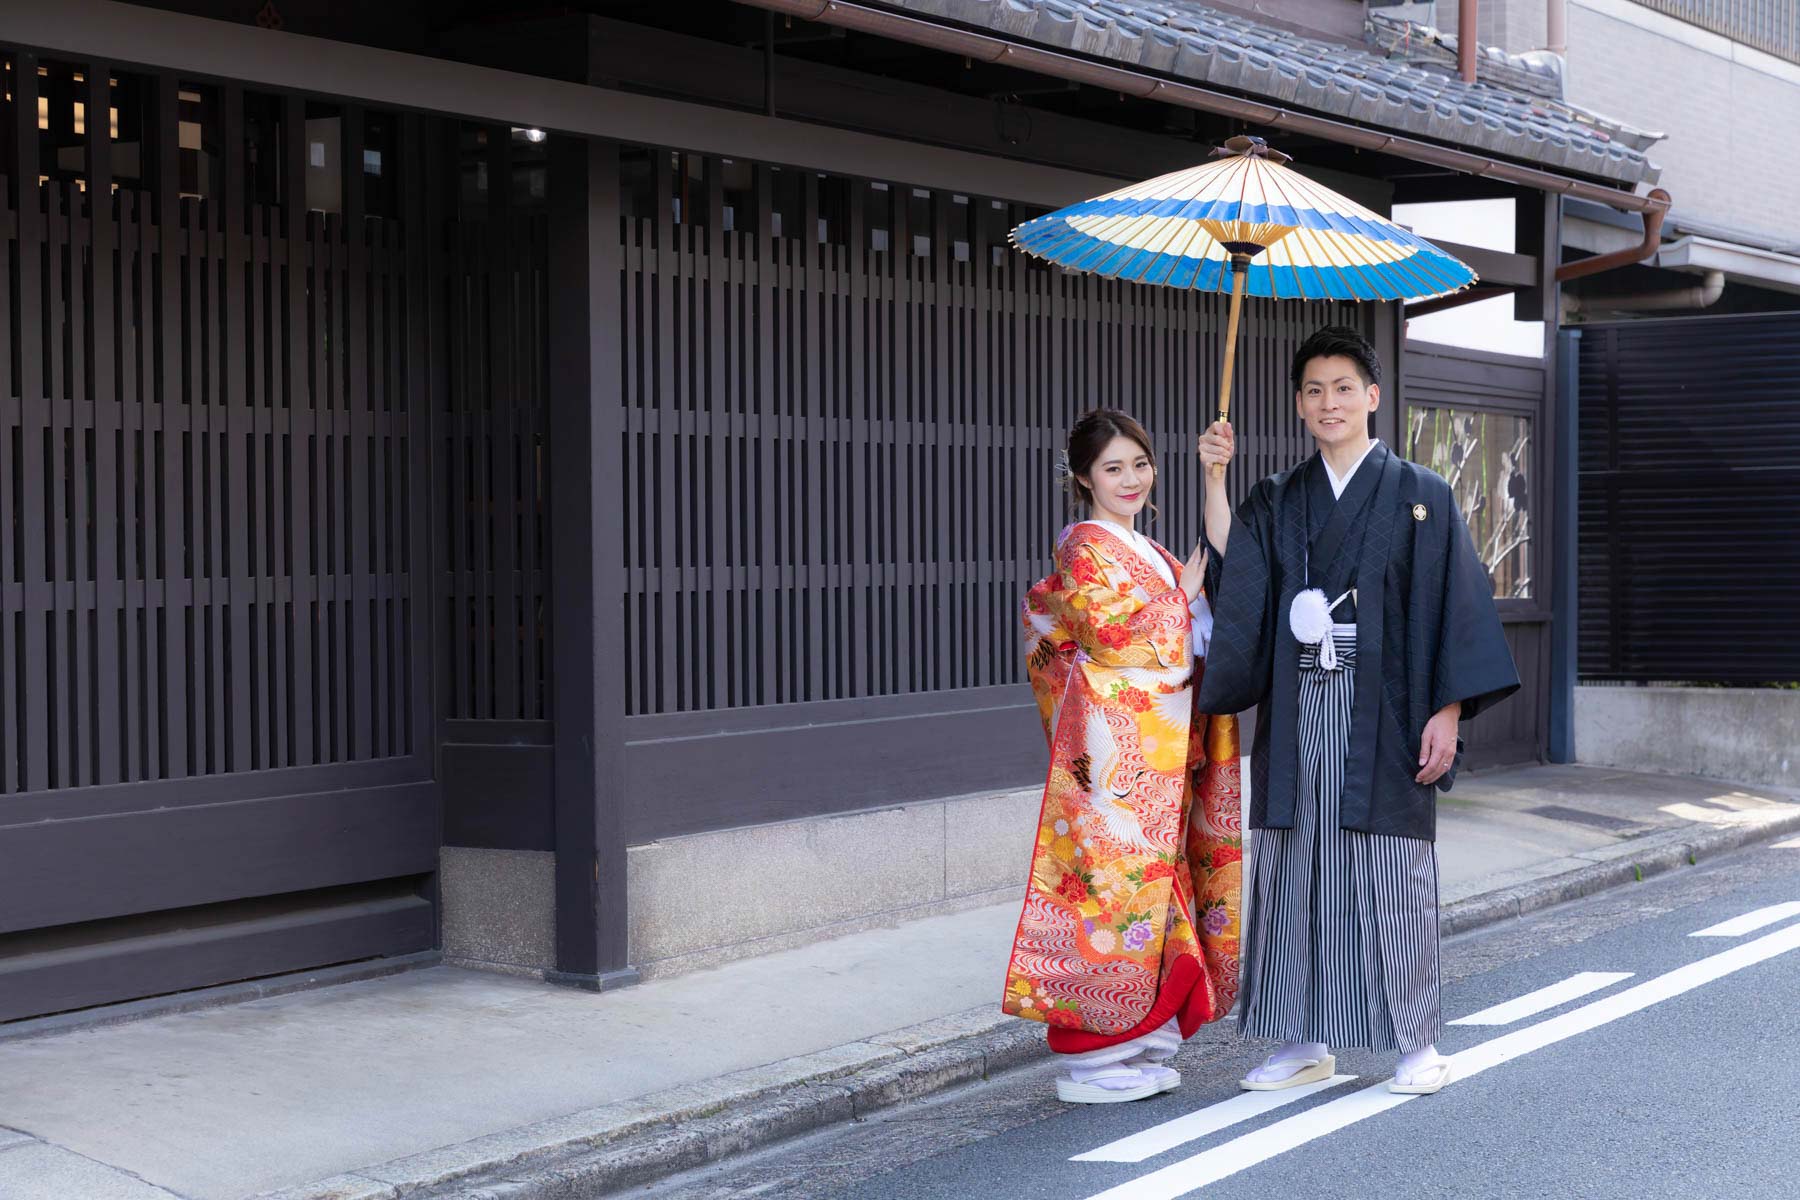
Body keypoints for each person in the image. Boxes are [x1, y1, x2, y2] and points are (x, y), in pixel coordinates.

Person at [1194, 326, 1519, 1096]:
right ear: (1301, 405)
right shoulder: (1277, 497)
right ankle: (1303, 1039)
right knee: (1295, 871)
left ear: (1372, 397)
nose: (1328, 402)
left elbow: (1453, 609)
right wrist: (1215, 480)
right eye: (1314, 390)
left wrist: (1448, 709)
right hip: (1303, 703)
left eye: (1343, 387)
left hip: (1389, 709)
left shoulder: (1423, 496)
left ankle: (1414, 1042)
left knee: (1389, 874)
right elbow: (1242, 577)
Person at [1003, 409, 1243, 1104]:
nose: (1130, 479)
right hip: (1113, 764)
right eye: (1113, 468)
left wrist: (1215, 480)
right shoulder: (1084, 548)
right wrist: (1180, 603)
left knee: (1156, 897)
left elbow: (1193, 636)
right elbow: (1111, 638)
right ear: (1082, 477)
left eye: (1139, 464)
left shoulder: (1159, 554)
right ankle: (1092, 1059)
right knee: (1112, 900)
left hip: (1154, 762)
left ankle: (1136, 1046)